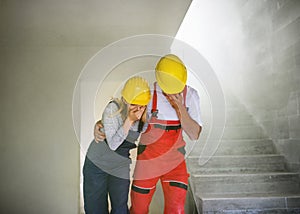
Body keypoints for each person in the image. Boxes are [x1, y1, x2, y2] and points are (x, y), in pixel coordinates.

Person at [94, 54, 203, 214]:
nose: (173, 93)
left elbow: (194, 135)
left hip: (175, 163)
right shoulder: (148, 94)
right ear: (159, 81)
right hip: (148, 162)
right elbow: (121, 112)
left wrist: (180, 108)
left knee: (176, 209)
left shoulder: (191, 96)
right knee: (138, 209)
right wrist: (101, 124)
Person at [83, 76, 151, 214]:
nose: (137, 110)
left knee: (120, 207)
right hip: (97, 164)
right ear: (125, 100)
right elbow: (113, 145)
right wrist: (129, 121)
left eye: (142, 106)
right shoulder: (112, 109)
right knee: (96, 208)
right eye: (133, 104)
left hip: (120, 164)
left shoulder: (145, 116)